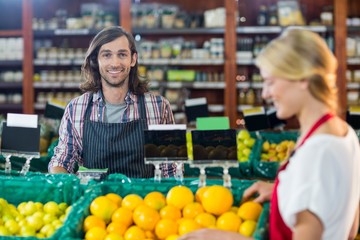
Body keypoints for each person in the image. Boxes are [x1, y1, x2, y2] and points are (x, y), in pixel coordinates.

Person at [179, 28, 360, 239]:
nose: (265, 93)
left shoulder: (316, 153)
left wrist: (214, 236)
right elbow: (350, 227)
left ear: (302, 78)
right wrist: (282, 192)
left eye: (270, 82)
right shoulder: (344, 133)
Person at [48, 26, 176, 178]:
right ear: (96, 60)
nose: (115, 63)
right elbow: (63, 160)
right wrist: (60, 178)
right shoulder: (76, 108)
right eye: (107, 55)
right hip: (95, 200)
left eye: (122, 54)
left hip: (142, 199)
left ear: (133, 59)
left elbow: (169, 168)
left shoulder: (158, 107)